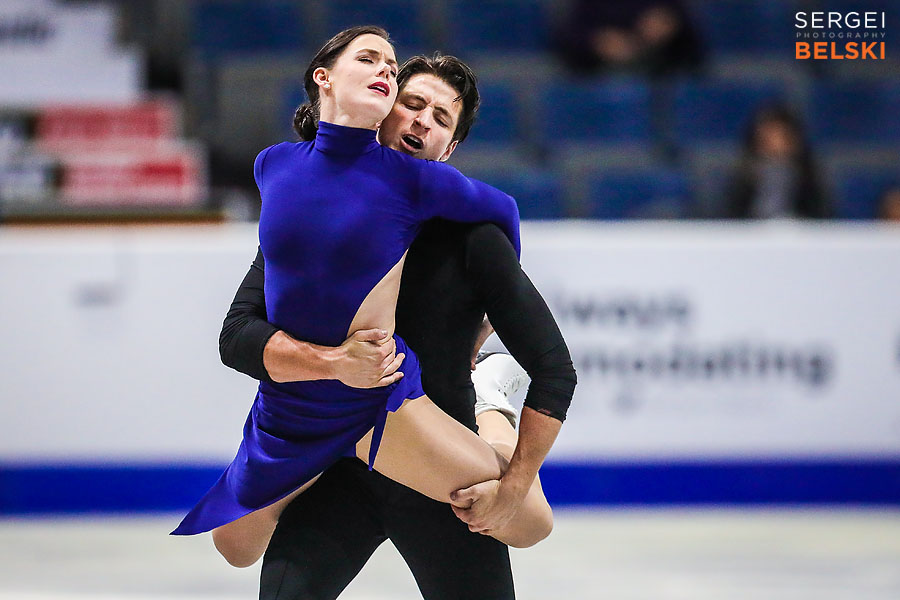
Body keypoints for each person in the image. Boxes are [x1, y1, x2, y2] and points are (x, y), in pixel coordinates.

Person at [172, 26, 562, 566]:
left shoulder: (409, 180)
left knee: (527, 523)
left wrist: (492, 304)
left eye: (390, 63)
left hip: (378, 398)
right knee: (234, 547)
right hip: (293, 403)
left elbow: (505, 213)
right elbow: (238, 330)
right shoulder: (274, 166)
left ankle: (493, 405)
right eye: (371, 59)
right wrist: (329, 362)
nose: (384, 68)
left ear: (449, 147)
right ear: (324, 77)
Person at [725, 103, 831, 219]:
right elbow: (728, 224)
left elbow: (824, 223)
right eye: (767, 140)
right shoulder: (740, 185)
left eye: (782, 139)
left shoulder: (811, 184)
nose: (776, 149)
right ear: (755, 143)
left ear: (796, 142)